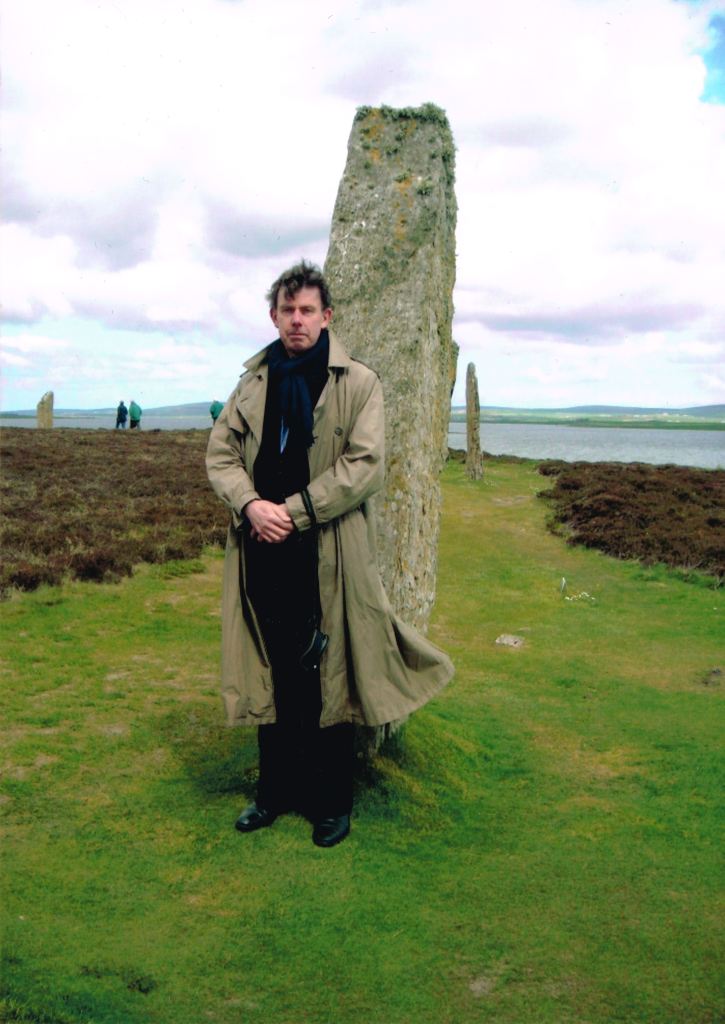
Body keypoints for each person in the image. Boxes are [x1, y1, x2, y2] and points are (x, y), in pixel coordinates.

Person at [206, 261, 453, 848]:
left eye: (307, 310)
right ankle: (272, 794)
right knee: (272, 668)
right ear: (274, 316)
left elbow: (364, 467)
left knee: (330, 674)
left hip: (329, 550)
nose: (297, 320)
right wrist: (249, 505)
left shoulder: (359, 383)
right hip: (262, 550)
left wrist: (288, 510)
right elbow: (221, 457)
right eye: (287, 311)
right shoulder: (251, 384)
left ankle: (331, 803)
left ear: (327, 316)